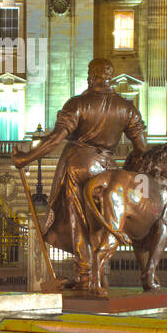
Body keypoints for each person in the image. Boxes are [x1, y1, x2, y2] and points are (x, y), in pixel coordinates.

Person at [13, 58, 148, 287]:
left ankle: (84, 275)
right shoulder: (126, 108)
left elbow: (55, 140)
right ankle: (99, 273)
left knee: (77, 218)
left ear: (90, 76)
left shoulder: (77, 104)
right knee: (103, 221)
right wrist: (129, 174)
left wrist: (25, 157)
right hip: (109, 167)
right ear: (110, 77)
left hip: (79, 163)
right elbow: (142, 149)